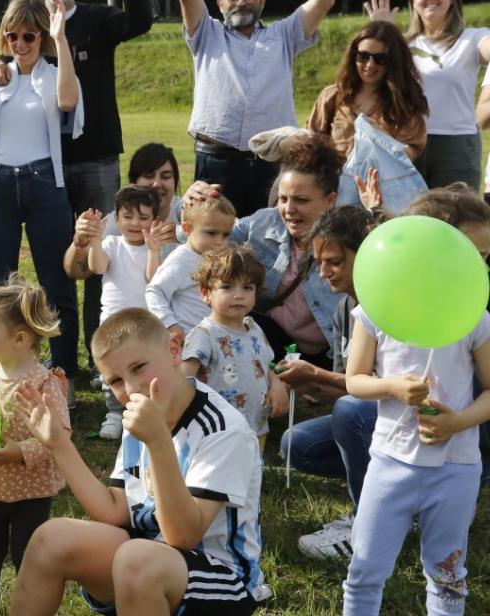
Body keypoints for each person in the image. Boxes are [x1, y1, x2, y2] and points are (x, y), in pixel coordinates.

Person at [8, 308, 265, 616]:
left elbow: (183, 536)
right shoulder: (143, 414)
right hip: (148, 555)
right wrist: (58, 444)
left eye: (139, 367)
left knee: (137, 559)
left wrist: (158, 442)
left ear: (173, 349)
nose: (131, 389)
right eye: (116, 380)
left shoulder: (223, 429)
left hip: (223, 580)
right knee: (51, 538)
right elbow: (116, 509)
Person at [0, 0, 154, 367]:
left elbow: (141, 20)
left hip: (95, 157)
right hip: (47, 167)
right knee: (55, 263)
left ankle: (99, 354)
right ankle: (55, 359)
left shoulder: (96, 19)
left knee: (100, 259)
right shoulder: (25, 33)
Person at [342, 188, 490, 615]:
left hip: (456, 467)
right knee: (365, 570)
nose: (481, 268)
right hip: (391, 461)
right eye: (473, 254)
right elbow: (354, 381)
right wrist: (390, 387)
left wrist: (457, 422)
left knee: (447, 575)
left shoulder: (474, 317)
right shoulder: (378, 308)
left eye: (485, 257)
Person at [0, 0, 83, 398]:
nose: (21, 43)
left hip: (45, 183)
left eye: (30, 35)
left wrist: (60, 40)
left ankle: (63, 374)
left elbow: (68, 101)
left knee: (56, 282)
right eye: (13, 35)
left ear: (42, 34)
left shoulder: (54, 72)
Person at [177, 0, 340, 217]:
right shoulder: (207, 33)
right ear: (220, 4)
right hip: (216, 160)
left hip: (273, 163)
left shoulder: (283, 35)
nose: (242, 2)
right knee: (214, 243)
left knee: (274, 239)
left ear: (263, 1)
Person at [278, 205, 379, 562]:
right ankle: (398, 495)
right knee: (295, 444)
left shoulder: (393, 304)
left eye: (333, 261)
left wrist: (319, 375)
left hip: (412, 422)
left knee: (352, 411)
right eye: (318, 262)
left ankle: (371, 520)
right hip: (374, 418)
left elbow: (378, 389)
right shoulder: (343, 311)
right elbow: (346, 384)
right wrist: (306, 383)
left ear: (365, 252)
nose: (323, 273)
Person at [0, 279, 67, 616]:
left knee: (27, 553)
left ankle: (29, 607)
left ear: (19, 339)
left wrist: (19, 451)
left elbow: (59, 434)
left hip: (31, 490)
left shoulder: (43, 383)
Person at [216, 135, 348, 365]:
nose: (289, 210)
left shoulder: (349, 243)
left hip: (329, 357)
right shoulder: (263, 222)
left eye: (301, 200)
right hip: (275, 344)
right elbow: (212, 237)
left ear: (330, 201)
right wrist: (193, 201)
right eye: (283, 199)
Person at [367, 0, 490, 190]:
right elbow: (370, 80)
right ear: (413, 2)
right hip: (406, 143)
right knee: (412, 217)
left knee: (458, 218)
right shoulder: (401, 44)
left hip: (456, 146)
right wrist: (382, 36)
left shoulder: (473, 38)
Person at [66, 185, 172, 439]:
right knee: (112, 368)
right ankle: (114, 413)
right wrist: (95, 241)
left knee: (143, 366)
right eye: (128, 216)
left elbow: (153, 279)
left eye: (143, 217)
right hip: (112, 321)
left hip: (145, 322)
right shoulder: (111, 243)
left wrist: (154, 250)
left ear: (154, 220)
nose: (135, 223)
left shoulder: (155, 249)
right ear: (116, 219)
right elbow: (97, 266)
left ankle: (147, 408)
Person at [180, 245, 288, 446]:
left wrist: (276, 384)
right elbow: (184, 378)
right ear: (206, 293)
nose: (239, 295)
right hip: (218, 431)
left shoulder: (254, 328)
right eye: (227, 287)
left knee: (252, 474)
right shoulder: (204, 334)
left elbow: (264, 363)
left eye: (247, 287)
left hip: (256, 427)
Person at [307, 20, 428, 160]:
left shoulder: (405, 101)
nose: (370, 65)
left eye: (380, 59)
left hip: (382, 180)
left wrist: (379, 139)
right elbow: (311, 140)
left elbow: (411, 152)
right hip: (335, 179)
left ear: (394, 61)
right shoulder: (332, 95)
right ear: (353, 56)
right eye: (363, 57)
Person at [145, 195, 237, 348]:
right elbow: (155, 291)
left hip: (214, 339)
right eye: (211, 233)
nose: (220, 241)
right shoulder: (181, 260)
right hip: (187, 341)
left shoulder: (218, 256)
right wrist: (170, 325)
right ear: (188, 229)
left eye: (225, 234)